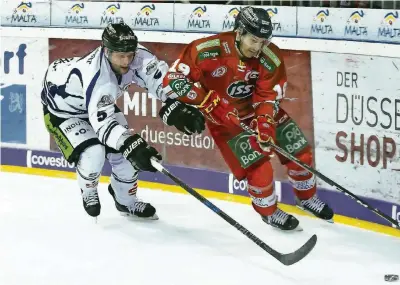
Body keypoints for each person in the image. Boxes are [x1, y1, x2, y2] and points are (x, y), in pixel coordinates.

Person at [159, 6, 334, 231]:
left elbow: (267, 98)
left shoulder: (270, 58)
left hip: (258, 112)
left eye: (263, 41)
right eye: (254, 40)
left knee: (299, 151)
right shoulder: (207, 50)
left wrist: (265, 126)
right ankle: (269, 212)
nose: (259, 48)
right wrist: (205, 101)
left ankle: (307, 198)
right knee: (260, 171)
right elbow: (171, 80)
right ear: (239, 32)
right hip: (225, 122)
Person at [41, 22, 205, 219]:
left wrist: (175, 102)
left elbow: (160, 80)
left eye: (130, 54)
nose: (126, 61)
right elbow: (102, 126)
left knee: (127, 159)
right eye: (120, 55)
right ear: (106, 51)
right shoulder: (97, 77)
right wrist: (129, 143)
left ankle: (126, 201)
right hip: (63, 112)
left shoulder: (137, 56)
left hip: (95, 105)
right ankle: (89, 190)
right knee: (94, 153)